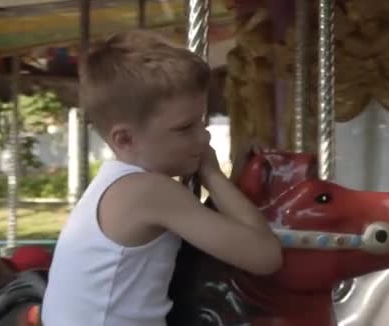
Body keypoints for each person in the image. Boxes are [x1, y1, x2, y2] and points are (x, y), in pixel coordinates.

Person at [41, 31, 283, 326]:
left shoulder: (115, 185)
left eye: (201, 122)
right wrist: (213, 175)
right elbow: (265, 256)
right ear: (125, 139)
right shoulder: (150, 192)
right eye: (185, 128)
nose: (203, 135)